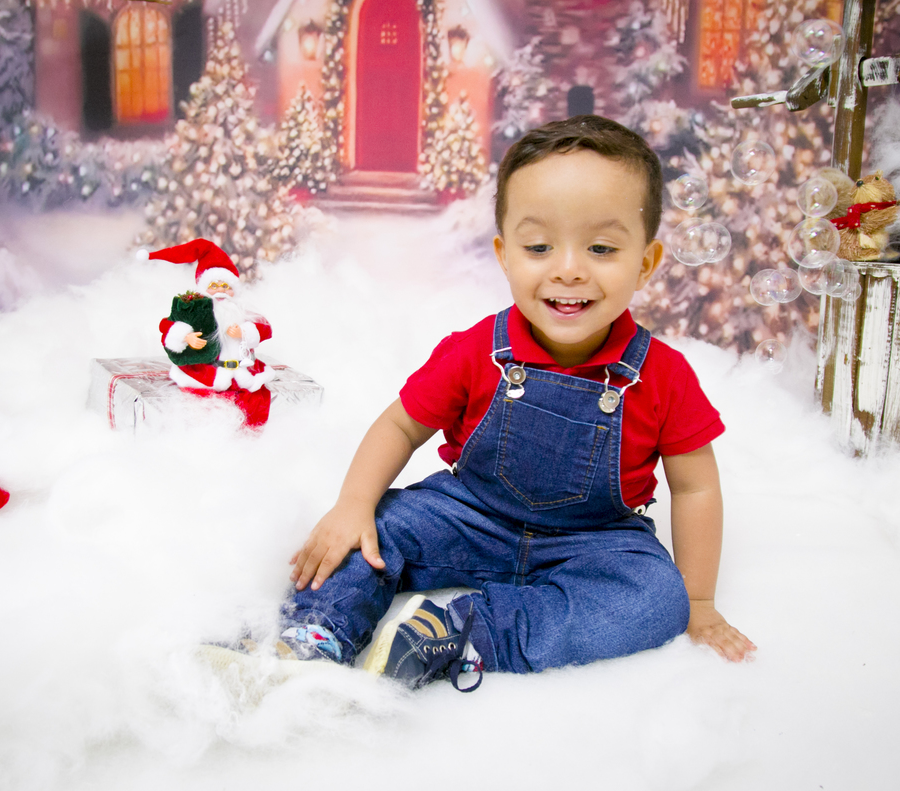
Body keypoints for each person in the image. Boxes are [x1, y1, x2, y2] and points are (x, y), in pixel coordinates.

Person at [234, 115, 756, 690]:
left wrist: (699, 601)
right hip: (470, 513)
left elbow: (695, 486)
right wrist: (353, 505)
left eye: (602, 248)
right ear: (505, 255)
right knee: (377, 529)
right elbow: (401, 426)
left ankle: (459, 635)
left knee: (657, 599)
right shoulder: (478, 349)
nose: (568, 270)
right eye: (539, 246)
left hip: (595, 538)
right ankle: (316, 631)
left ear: (646, 263)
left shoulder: (664, 374)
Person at [149, 240, 276, 427]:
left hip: (242, 373)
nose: (220, 290)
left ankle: (247, 436)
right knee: (204, 410)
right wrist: (186, 336)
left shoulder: (242, 312)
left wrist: (244, 332)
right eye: (214, 286)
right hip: (207, 373)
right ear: (204, 289)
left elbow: (264, 328)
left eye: (226, 286)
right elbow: (167, 326)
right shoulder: (195, 311)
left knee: (254, 405)